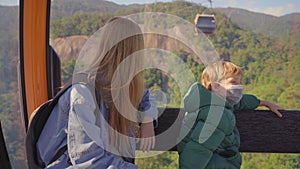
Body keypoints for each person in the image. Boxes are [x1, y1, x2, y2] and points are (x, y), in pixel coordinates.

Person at [36, 17, 158, 169]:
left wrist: (148, 119)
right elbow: (87, 159)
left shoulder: (124, 89)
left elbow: (147, 96)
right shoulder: (83, 93)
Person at [177, 61, 283, 169]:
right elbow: (198, 150)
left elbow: (239, 102)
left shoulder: (210, 104)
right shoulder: (217, 115)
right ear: (216, 86)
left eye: (240, 82)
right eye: (234, 82)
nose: (239, 87)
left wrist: (263, 103)